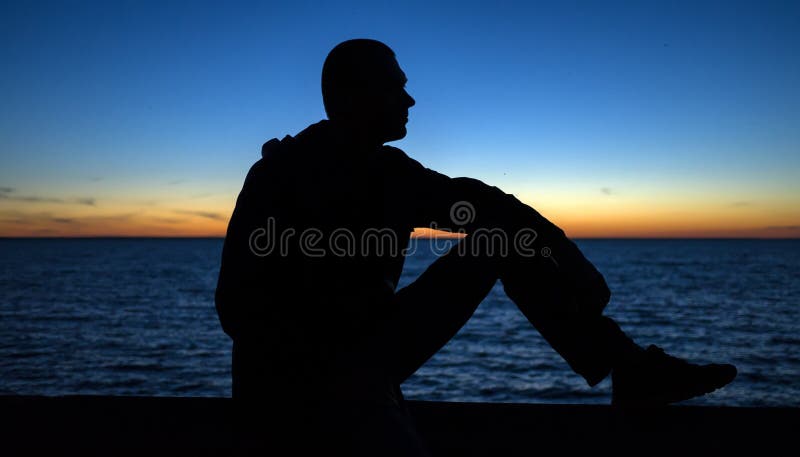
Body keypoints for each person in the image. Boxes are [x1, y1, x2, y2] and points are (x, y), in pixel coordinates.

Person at [215, 39, 736, 455]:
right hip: (306, 380)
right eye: (397, 87)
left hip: (352, 358)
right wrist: (339, 345)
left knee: (498, 239)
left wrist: (564, 253)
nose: (411, 100)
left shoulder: (367, 172)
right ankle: (631, 370)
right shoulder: (300, 174)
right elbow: (236, 307)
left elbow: (487, 205)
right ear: (360, 95)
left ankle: (629, 368)